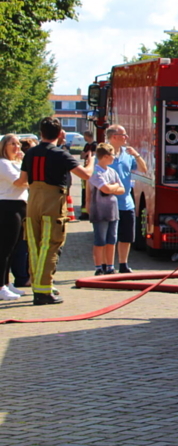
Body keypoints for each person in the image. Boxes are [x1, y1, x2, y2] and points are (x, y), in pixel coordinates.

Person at [16, 117, 93, 305]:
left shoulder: (31, 153)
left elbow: (23, 179)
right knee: (50, 245)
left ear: (40, 132)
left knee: (33, 244)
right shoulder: (60, 154)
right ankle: (44, 291)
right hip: (53, 201)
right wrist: (91, 161)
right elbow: (85, 175)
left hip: (33, 200)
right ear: (59, 134)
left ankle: (38, 285)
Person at [105, 124, 148, 273]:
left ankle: (123, 264)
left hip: (126, 202)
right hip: (107, 202)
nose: (127, 138)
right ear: (114, 137)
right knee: (108, 237)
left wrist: (136, 155)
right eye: (124, 135)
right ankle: (107, 265)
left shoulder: (128, 154)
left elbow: (143, 169)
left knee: (126, 236)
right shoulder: (103, 152)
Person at [0, 134, 30, 301]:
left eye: (18, 144)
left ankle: (6, 282)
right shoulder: (3, 163)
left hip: (19, 206)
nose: (16, 147)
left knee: (13, 249)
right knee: (5, 249)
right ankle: (0, 286)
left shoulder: (14, 163)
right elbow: (20, 182)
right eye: (12, 144)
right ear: (4, 146)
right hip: (7, 207)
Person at [88, 143, 125, 275]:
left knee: (112, 239)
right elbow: (105, 189)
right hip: (99, 210)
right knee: (100, 240)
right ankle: (98, 267)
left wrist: (113, 186)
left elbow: (122, 189)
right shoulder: (95, 172)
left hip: (113, 210)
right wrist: (113, 186)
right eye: (112, 155)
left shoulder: (112, 172)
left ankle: (110, 266)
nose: (114, 158)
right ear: (105, 156)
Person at [79, 130, 97, 221]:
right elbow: (82, 156)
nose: (84, 138)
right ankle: (84, 211)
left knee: (89, 191)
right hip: (85, 168)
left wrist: (87, 154)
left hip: (91, 170)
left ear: (87, 136)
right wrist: (86, 154)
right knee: (84, 190)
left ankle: (88, 212)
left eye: (84, 136)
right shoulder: (87, 145)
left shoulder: (95, 145)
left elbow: (93, 156)